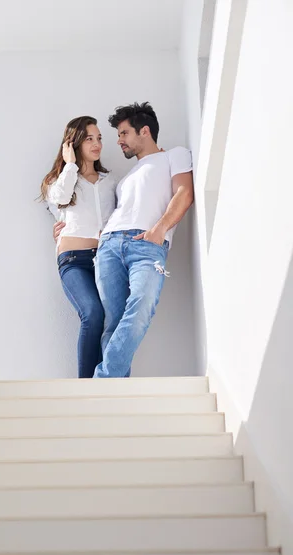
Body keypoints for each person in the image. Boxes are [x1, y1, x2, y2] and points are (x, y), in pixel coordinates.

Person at [93, 102, 194, 378]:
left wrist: (159, 230)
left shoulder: (174, 155)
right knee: (113, 323)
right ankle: (114, 396)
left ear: (145, 131)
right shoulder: (126, 178)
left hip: (148, 245)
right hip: (109, 246)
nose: (119, 141)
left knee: (142, 307)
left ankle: (102, 381)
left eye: (124, 133)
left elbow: (184, 193)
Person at [40, 116, 117, 378]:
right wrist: (70, 165)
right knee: (92, 313)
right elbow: (60, 199)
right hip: (74, 260)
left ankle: (105, 381)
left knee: (110, 319)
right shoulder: (59, 180)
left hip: (106, 259)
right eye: (89, 138)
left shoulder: (110, 182)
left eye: (99, 138)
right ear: (73, 144)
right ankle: (86, 387)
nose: (97, 144)